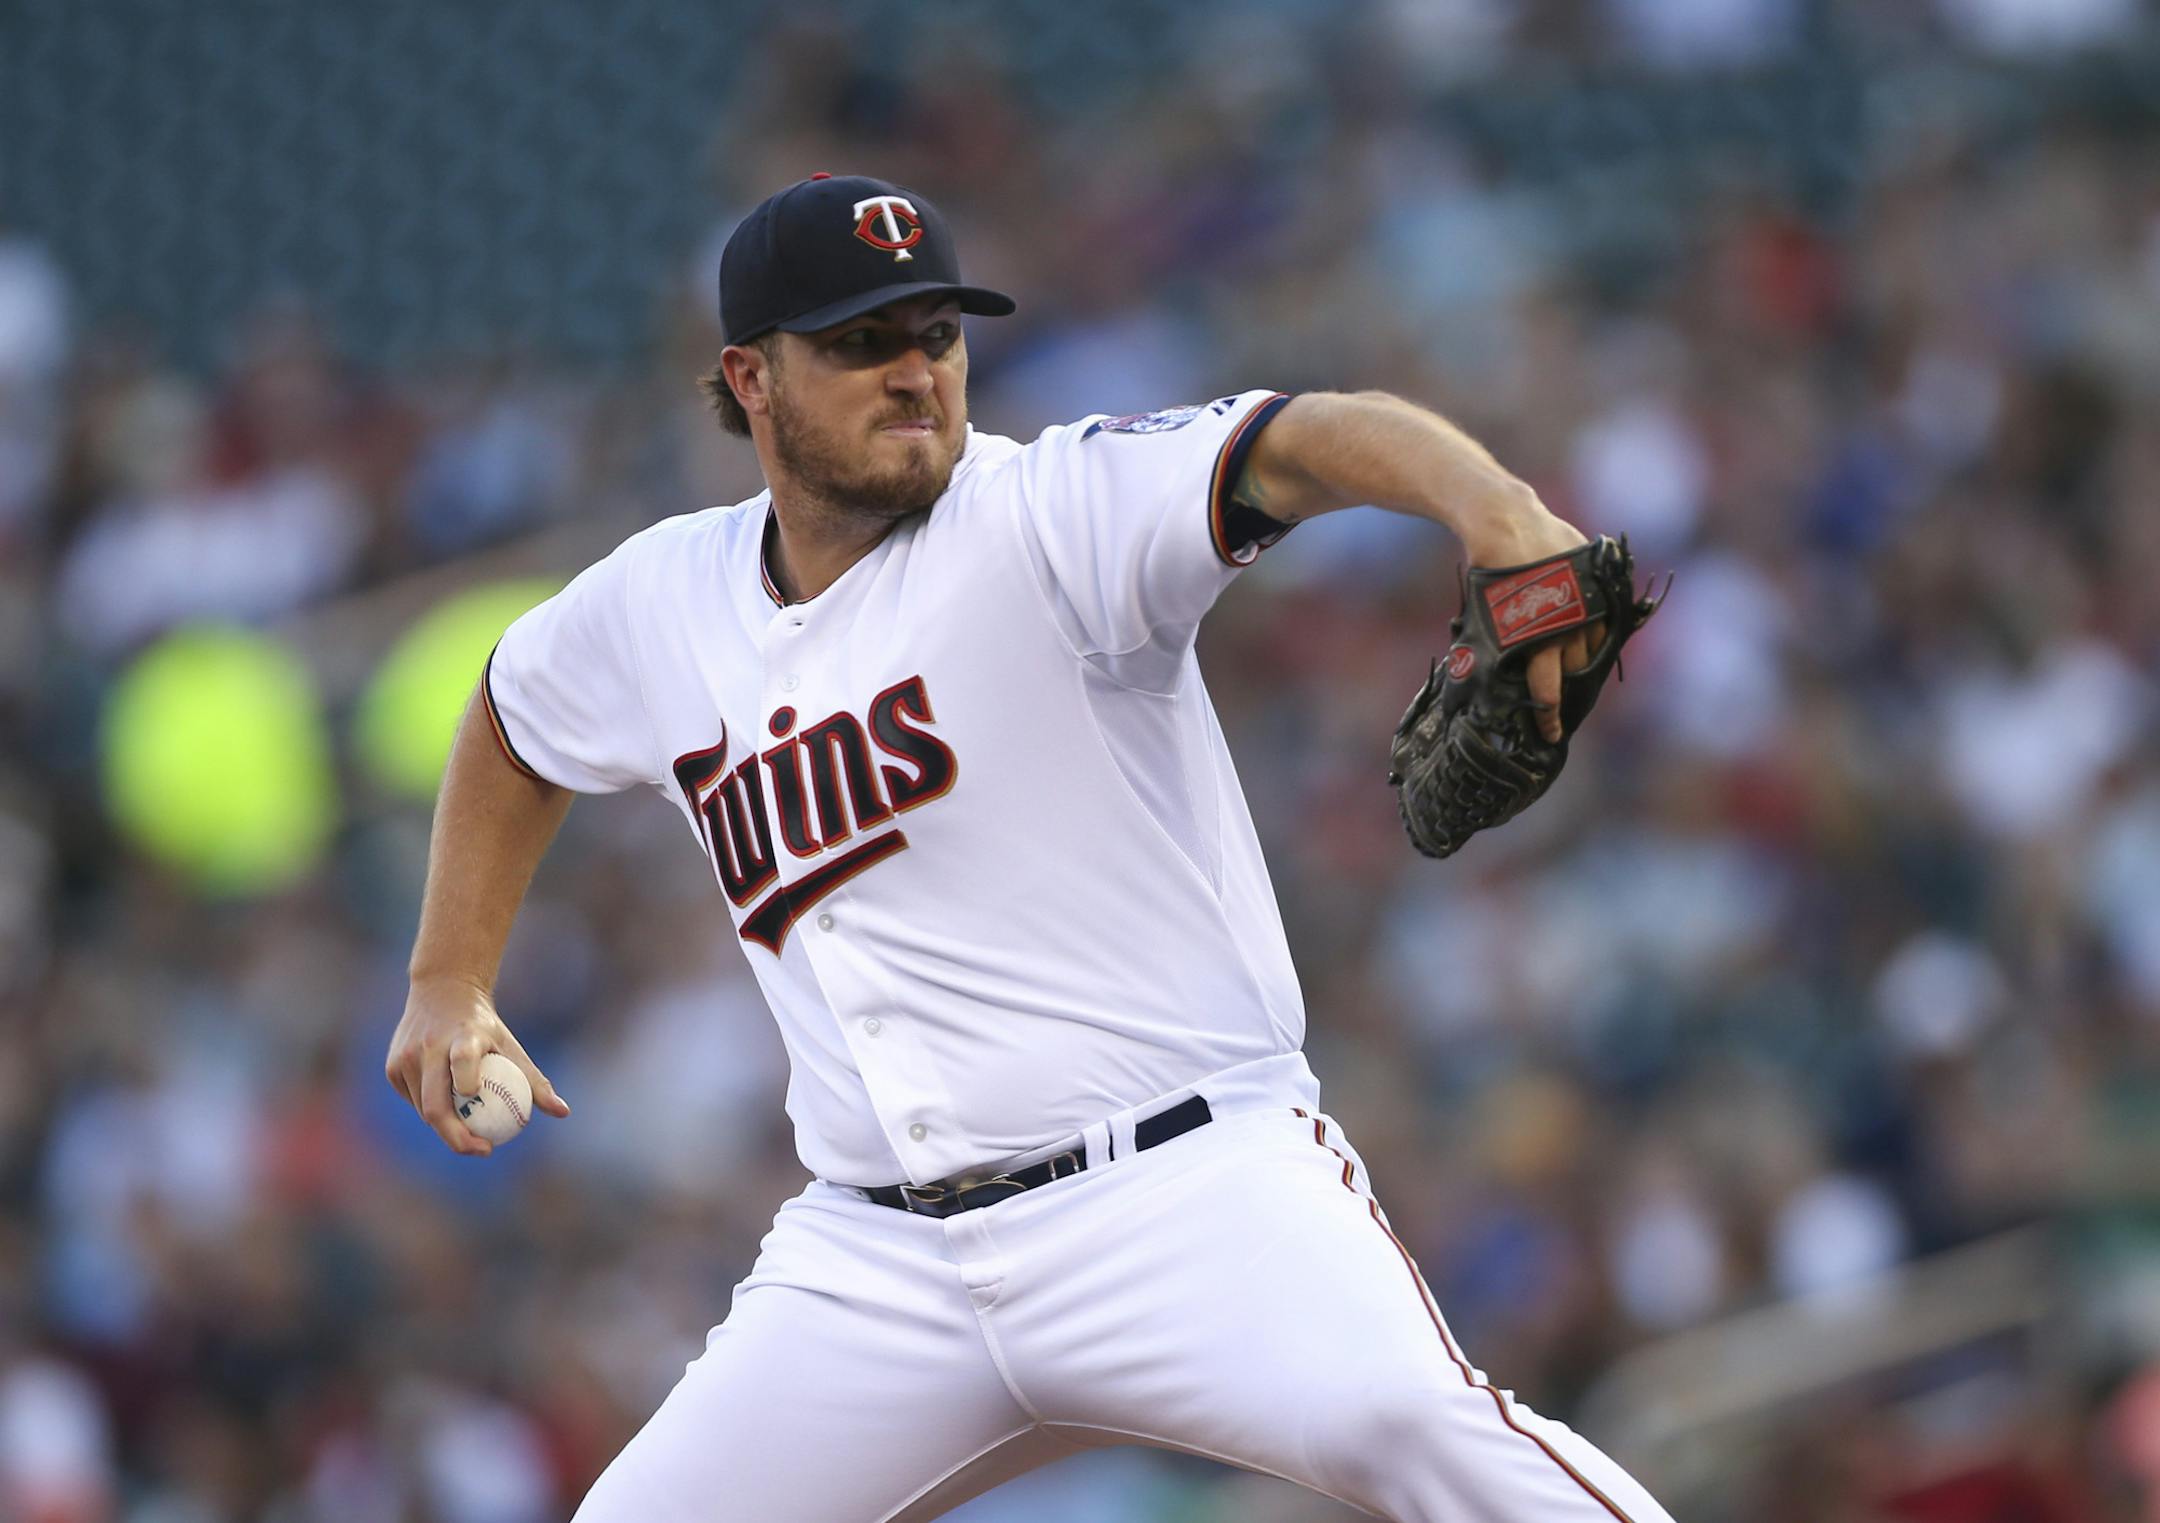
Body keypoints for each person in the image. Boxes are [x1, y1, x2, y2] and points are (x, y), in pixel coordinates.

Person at [385, 172, 1675, 1523]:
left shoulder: (1051, 512)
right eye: (861, 344)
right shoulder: (661, 600)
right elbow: (512, 719)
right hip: (878, 1265)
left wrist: (1499, 513)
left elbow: (1297, 442)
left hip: (1182, 1189)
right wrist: (448, 979)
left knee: (1411, 1426)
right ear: (749, 378)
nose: (914, 375)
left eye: (936, 334)